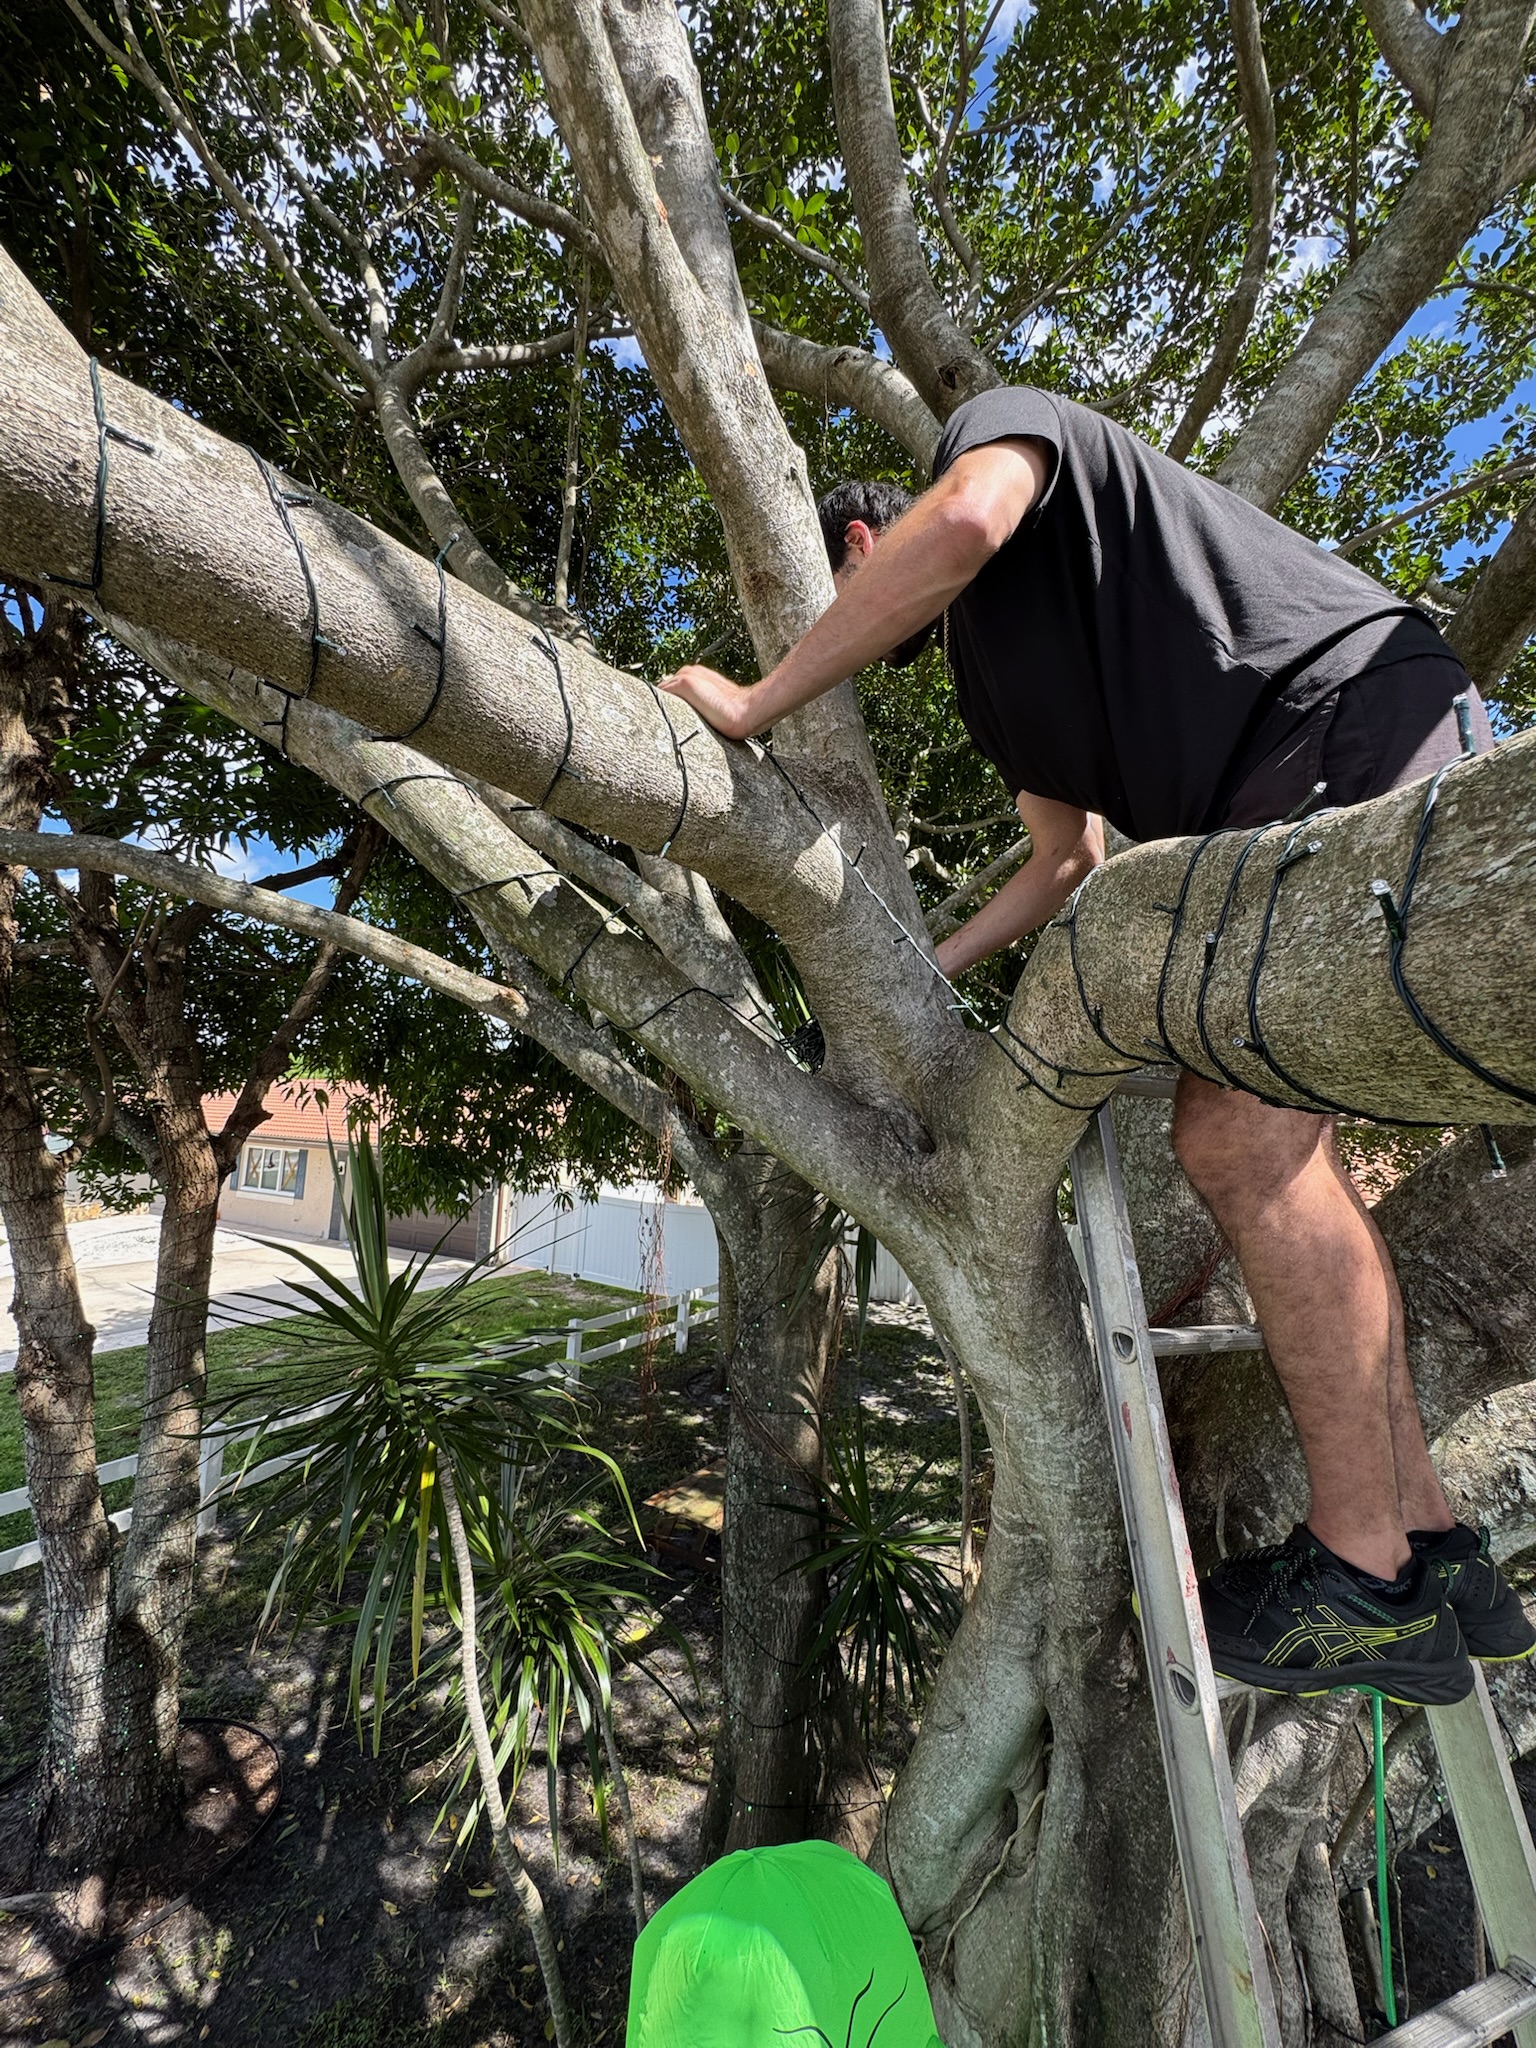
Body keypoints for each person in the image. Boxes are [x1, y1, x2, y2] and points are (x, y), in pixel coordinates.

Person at [661, 384, 1535, 1708]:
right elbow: (1067, 862)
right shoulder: (996, 696)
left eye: (844, 590)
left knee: (1231, 1136)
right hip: (1283, 799)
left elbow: (957, 520)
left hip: (1331, 725)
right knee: (1276, 1146)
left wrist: (756, 699)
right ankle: (1428, 1547)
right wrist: (914, 977)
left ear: (857, 546)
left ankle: (1359, 1565)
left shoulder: (1000, 435)